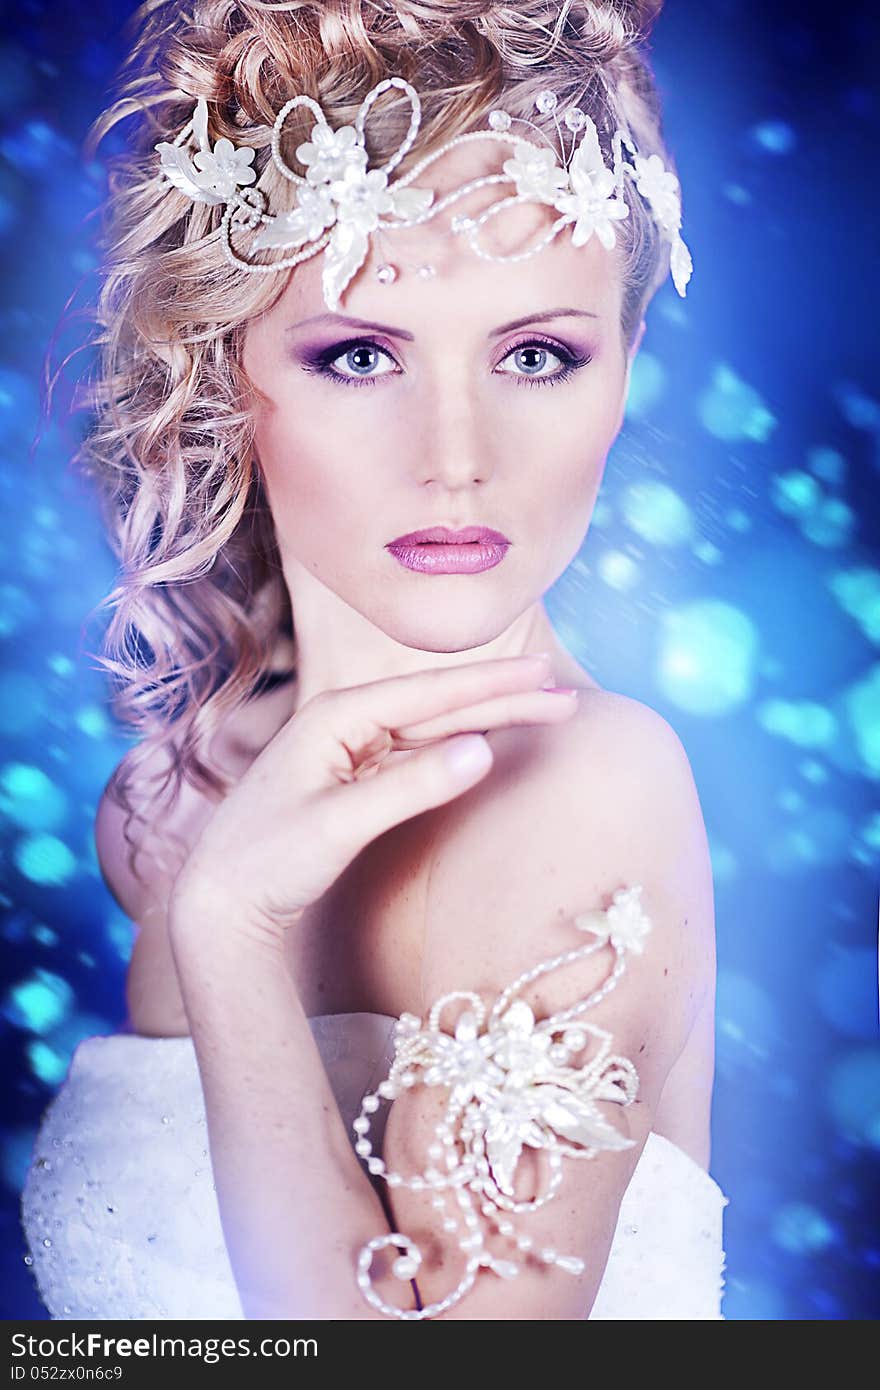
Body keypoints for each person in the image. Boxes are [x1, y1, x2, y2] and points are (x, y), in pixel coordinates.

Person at [20, 0, 728, 1319]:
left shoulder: (597, 792)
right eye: (357, 353)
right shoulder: (173, 793)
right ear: (223, 368)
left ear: (623, 368)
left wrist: (231, 930)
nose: (455, 454)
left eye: (535, 353)